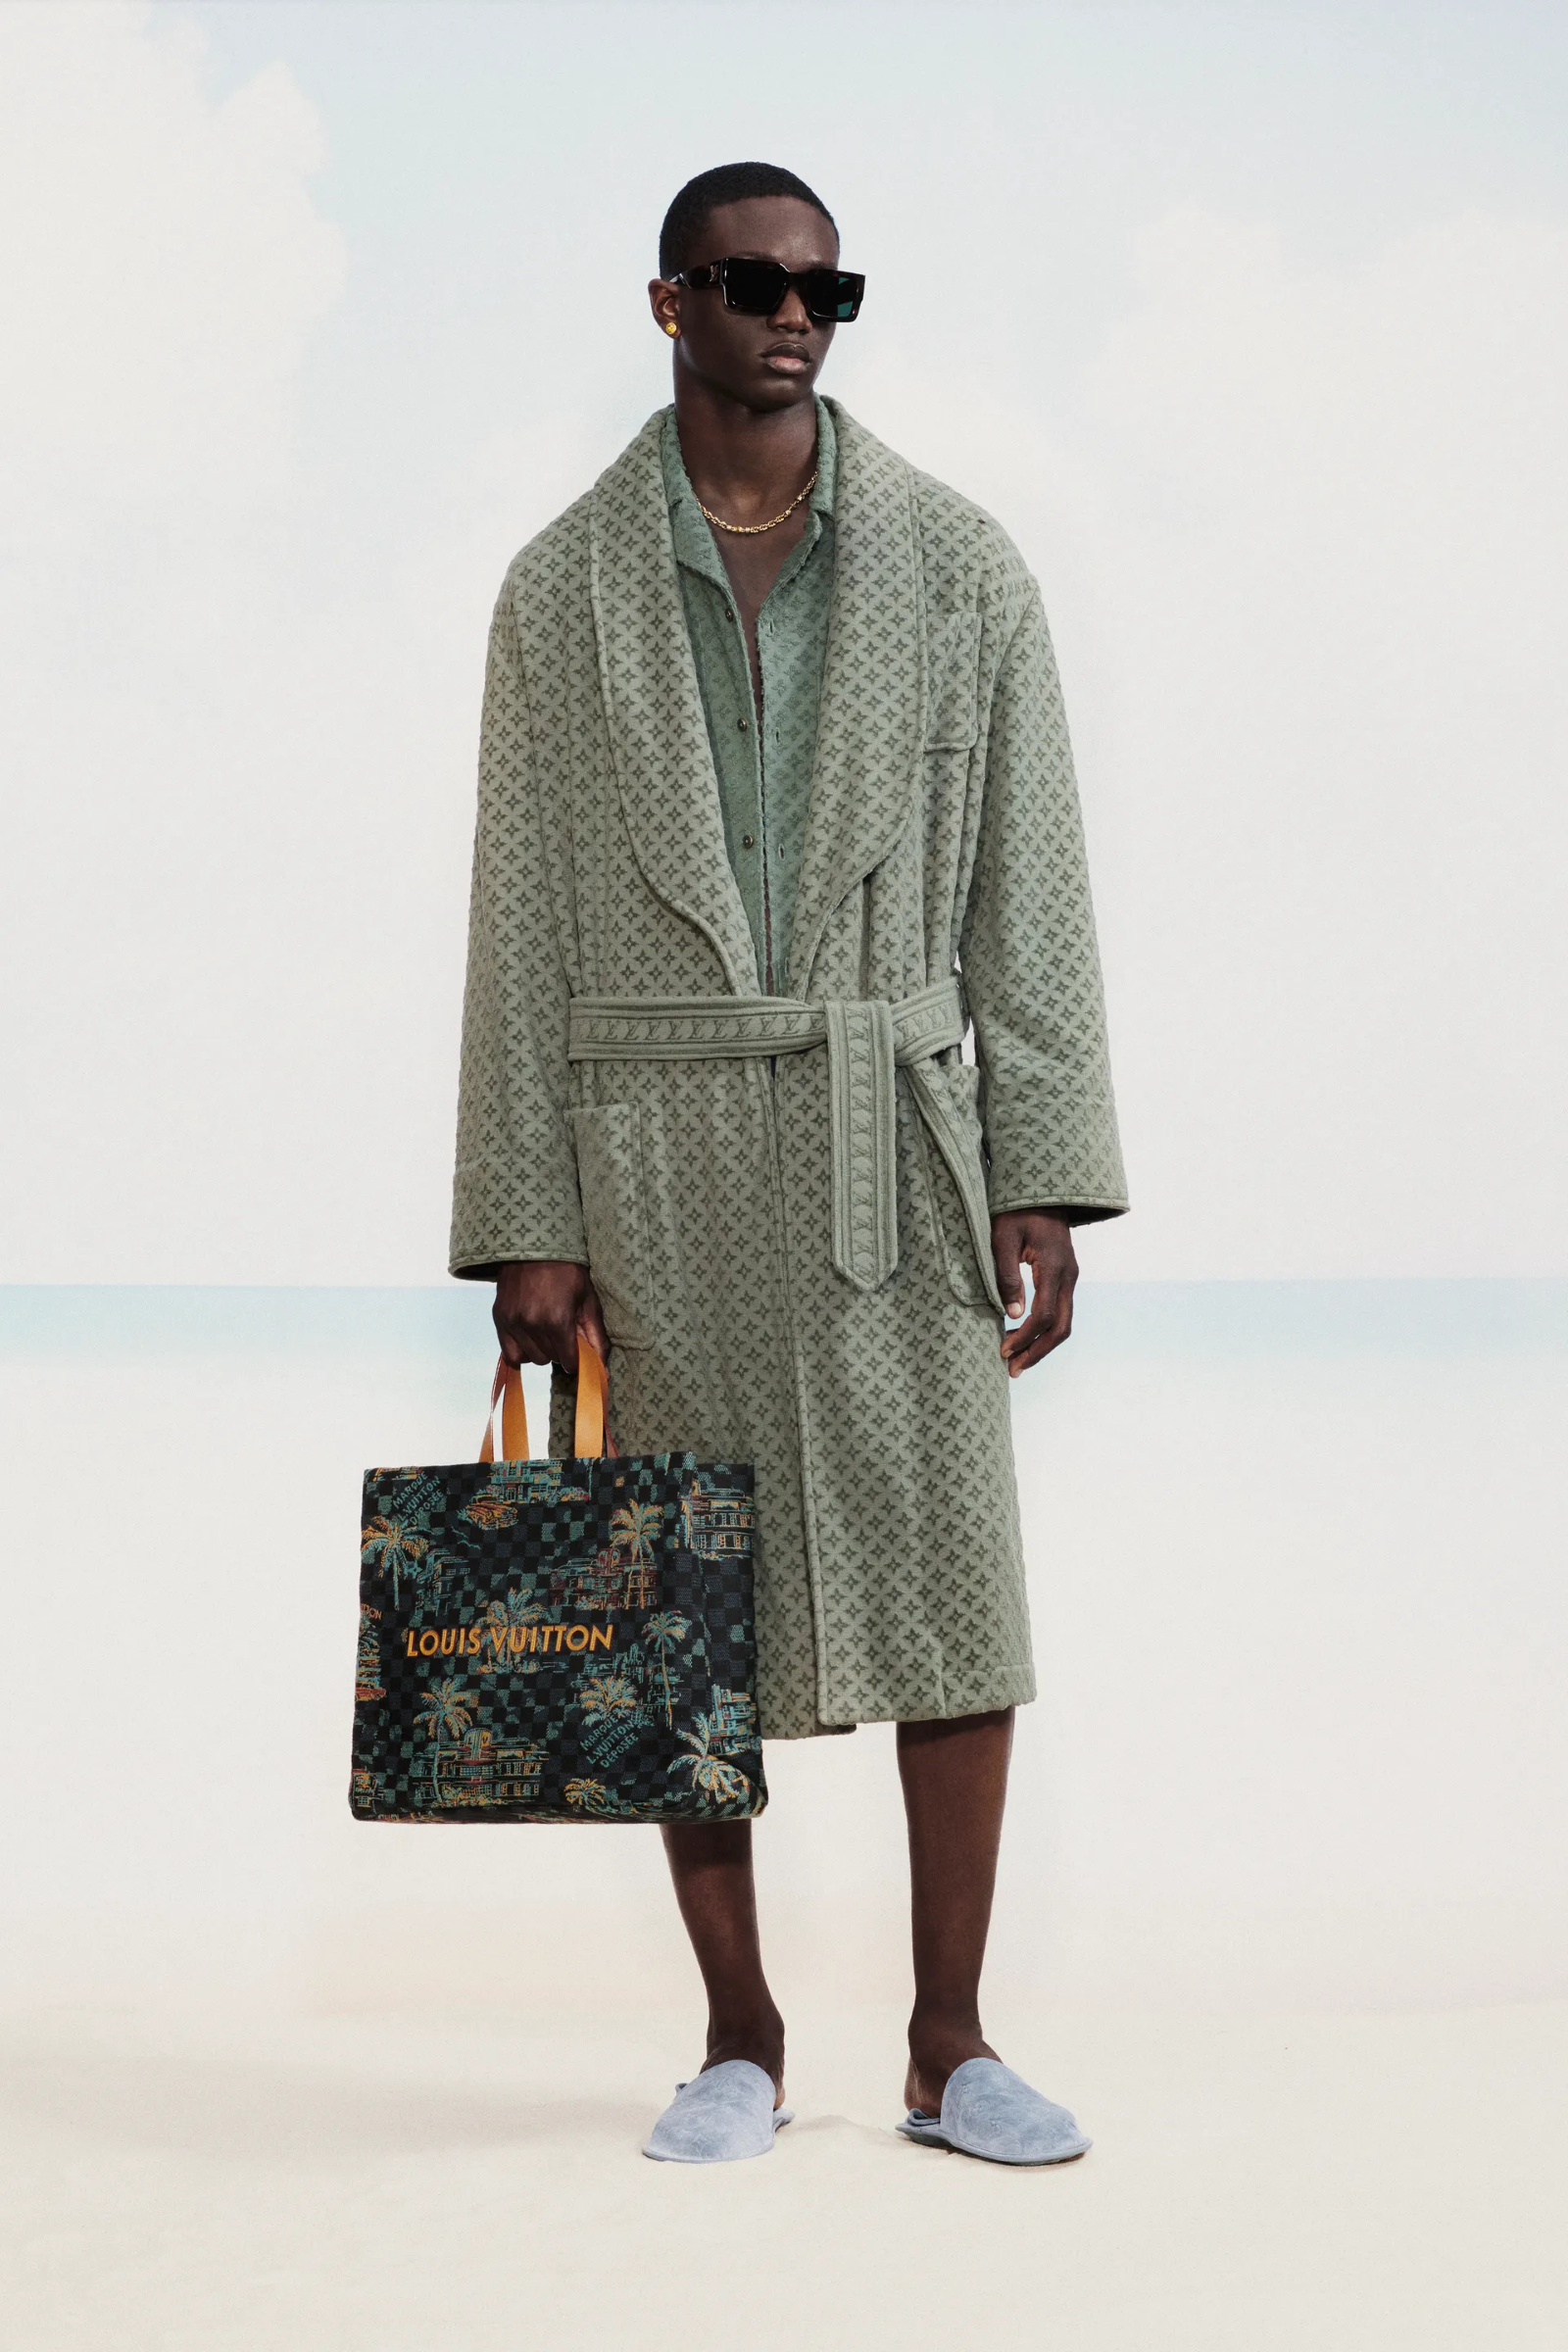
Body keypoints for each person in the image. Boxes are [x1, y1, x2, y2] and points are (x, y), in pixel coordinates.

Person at [451, 161, 1127, 2166]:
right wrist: (529, 1217)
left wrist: (1039, 1168)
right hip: (650, 1151)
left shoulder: (960, 568)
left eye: (826, 290)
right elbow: (518, 918)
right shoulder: (559, 593)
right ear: (669, 302)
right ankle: (737, 2037)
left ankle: (950, 2044)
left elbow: (1028, 890)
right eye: (751, 284)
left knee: (954, 1582)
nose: (792, 318)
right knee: (680, 1594)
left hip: (887, 1136)